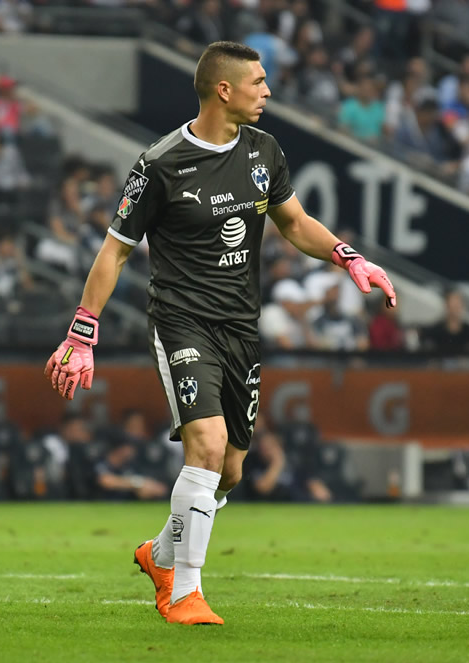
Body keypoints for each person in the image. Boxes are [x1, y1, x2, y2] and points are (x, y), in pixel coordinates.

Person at [43, 41, 396, 625]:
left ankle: (159, 554)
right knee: (205, 447)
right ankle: (184, 591)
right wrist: (83, 330)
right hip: (182, 321)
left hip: (241, 327)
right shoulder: (160, 164)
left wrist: (347, 256)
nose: (268, 91)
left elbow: (294, 223)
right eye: (258, 82)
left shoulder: (264, 150)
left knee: (228, 470)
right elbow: (115, 252)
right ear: (224, 90)